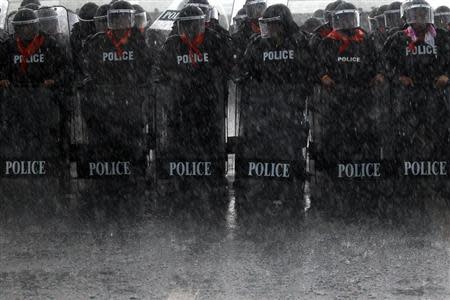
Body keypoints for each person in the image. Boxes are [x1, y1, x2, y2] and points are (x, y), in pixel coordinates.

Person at [155, 5, 232, 212]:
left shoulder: (214, 41)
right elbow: (160, 71)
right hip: (180, 106)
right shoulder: (172, 44)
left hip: (208, 106)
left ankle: (210, 181)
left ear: (202, 24)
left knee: (207, 143)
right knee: (181, 143)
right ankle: (182, 181)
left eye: (194, 24)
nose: (190, 28)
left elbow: (227, 67)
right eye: (186, 24)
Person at [236, 4, 312, 213]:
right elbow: (243, 70)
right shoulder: (257, 44)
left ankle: (291, 191)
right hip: (262, 109)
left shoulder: (300, 42)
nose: (268, 29)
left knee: (289, 151)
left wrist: (294, 91)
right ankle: (266, 190)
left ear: (283, 24)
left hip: (290, 109)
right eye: (266, 25)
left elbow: (308, 72)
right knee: (263, 150)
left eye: (273, 25)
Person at [314, 1, 384, 215]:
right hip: (337, 98)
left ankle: (365, 178)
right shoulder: (328, 42)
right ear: (336, 21)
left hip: (363, 97)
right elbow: (316, 65)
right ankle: (334, 179)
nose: (347, 23)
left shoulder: (366, 40)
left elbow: (379, 63)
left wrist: (379, 74)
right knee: (336, 136)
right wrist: (323, 76)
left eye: (349, 18)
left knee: (365, 135)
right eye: (342, 19)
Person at [383, 0, 450, 216]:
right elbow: (383, 65)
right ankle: (408, 180)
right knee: (406, 135)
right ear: (408, 16)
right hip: (408, 96)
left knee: (439, 134)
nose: (420, 19)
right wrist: (398, 76)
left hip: (436, 95)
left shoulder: (442, 36)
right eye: (416, 14)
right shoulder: (397, 38)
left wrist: (446, 76)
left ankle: (439, 181)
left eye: (423, 14)